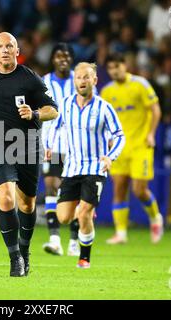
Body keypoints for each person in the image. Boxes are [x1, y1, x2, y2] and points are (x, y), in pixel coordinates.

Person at [0, 32, 58, 277]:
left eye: (10, 46)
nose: (5, 50)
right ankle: (15, 257)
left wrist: (36, 114)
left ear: (17, 51)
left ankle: (25, 252)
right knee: (6, 198)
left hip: (28, 144)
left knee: (27, 204)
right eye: (0, 46)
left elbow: (53, 110)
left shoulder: (30, 79)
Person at [50, 62, 125, 269]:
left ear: (94, 80)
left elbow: (119, 135)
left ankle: (84, 258)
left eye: (86, 77)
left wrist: (111, 156)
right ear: (74, 81)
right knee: (64, 217)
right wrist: (49, 146)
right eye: (78, 78)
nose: (82, 81)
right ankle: (86, 208)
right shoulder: (65, 104)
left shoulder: (104, 108)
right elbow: (55, 127)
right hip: (71, 168)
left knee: (82, 214)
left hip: (95, 168)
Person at [100, 53, 164, 245]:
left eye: (117, 66)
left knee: (139, 190)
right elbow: (104, 120)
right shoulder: (106, 91)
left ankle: (155, 217)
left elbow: (155, 110)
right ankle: (121, 233)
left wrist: (151, 133)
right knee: (119, 188)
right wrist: (108, 140)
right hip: (119, 147)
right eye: (110, 68)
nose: (114, 70)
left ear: (125, 65)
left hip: (140, 145)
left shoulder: (140, 84)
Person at [41, 43, 80, 257]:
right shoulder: (43, 82)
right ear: (53, 59)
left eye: (66, 55)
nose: (62, 59)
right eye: (58, 55)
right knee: (50, 187)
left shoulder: (81, 79)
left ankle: (74, 241)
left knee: (75, 192)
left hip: (77, 145)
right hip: (51, 144)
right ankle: (55, 239)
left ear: (71, 59)